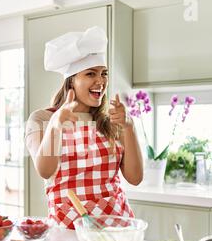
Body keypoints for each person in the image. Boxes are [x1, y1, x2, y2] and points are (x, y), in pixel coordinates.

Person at [25, 26, 143, 229]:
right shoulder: (43, 118)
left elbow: (135, 178)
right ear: (71, 81)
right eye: (91, 74)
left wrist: (129, 126)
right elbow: (45, 170)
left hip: (117, 227)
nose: (101, 81)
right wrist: (55, 126)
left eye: (104, 74)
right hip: (68, 230)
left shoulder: (114, 120)